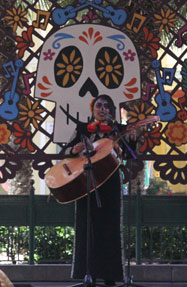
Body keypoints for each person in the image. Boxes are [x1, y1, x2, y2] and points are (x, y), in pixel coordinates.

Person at [61, 94, 138, 286]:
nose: (102, 109)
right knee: (87, 226)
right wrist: (74, 149)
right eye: (98, 105)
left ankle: (110, 276)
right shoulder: (81, 129)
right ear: (92, 109)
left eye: (106, 106)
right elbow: (66, 152)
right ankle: (88, 274)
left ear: (111, 111)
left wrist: (133, 140)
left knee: (110, 227)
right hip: (86, 181)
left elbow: (129, 155)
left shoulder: (118, 130)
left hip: (110, 182)